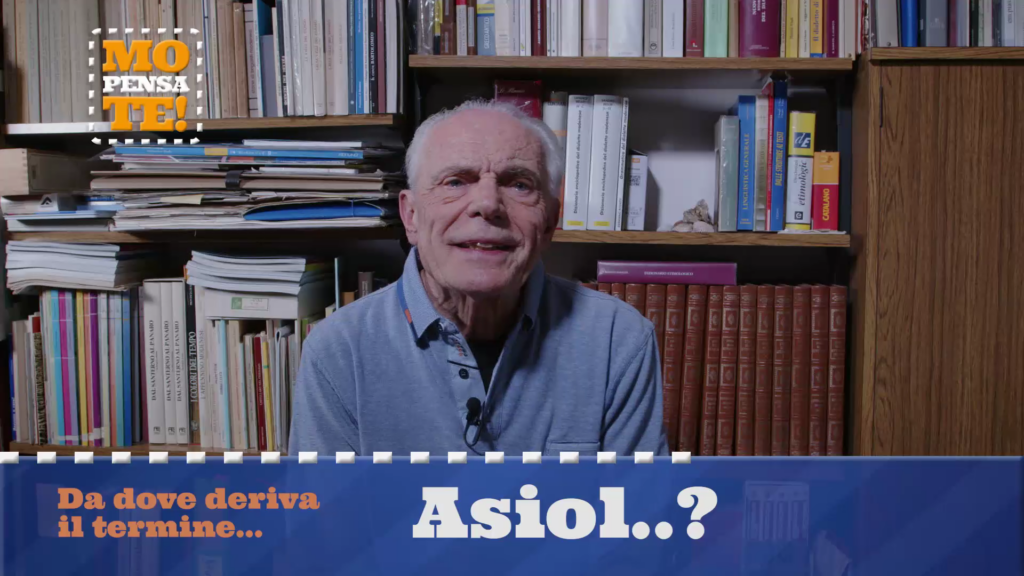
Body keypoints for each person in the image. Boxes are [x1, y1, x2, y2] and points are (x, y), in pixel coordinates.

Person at [289, 100, 667, 456]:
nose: (487, 204)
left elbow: (636, 502)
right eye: (455, 182)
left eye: (519, 184)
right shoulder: (338, 350)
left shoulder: (619, 340)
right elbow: (327, 506)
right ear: (411, 216)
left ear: (550, 222)